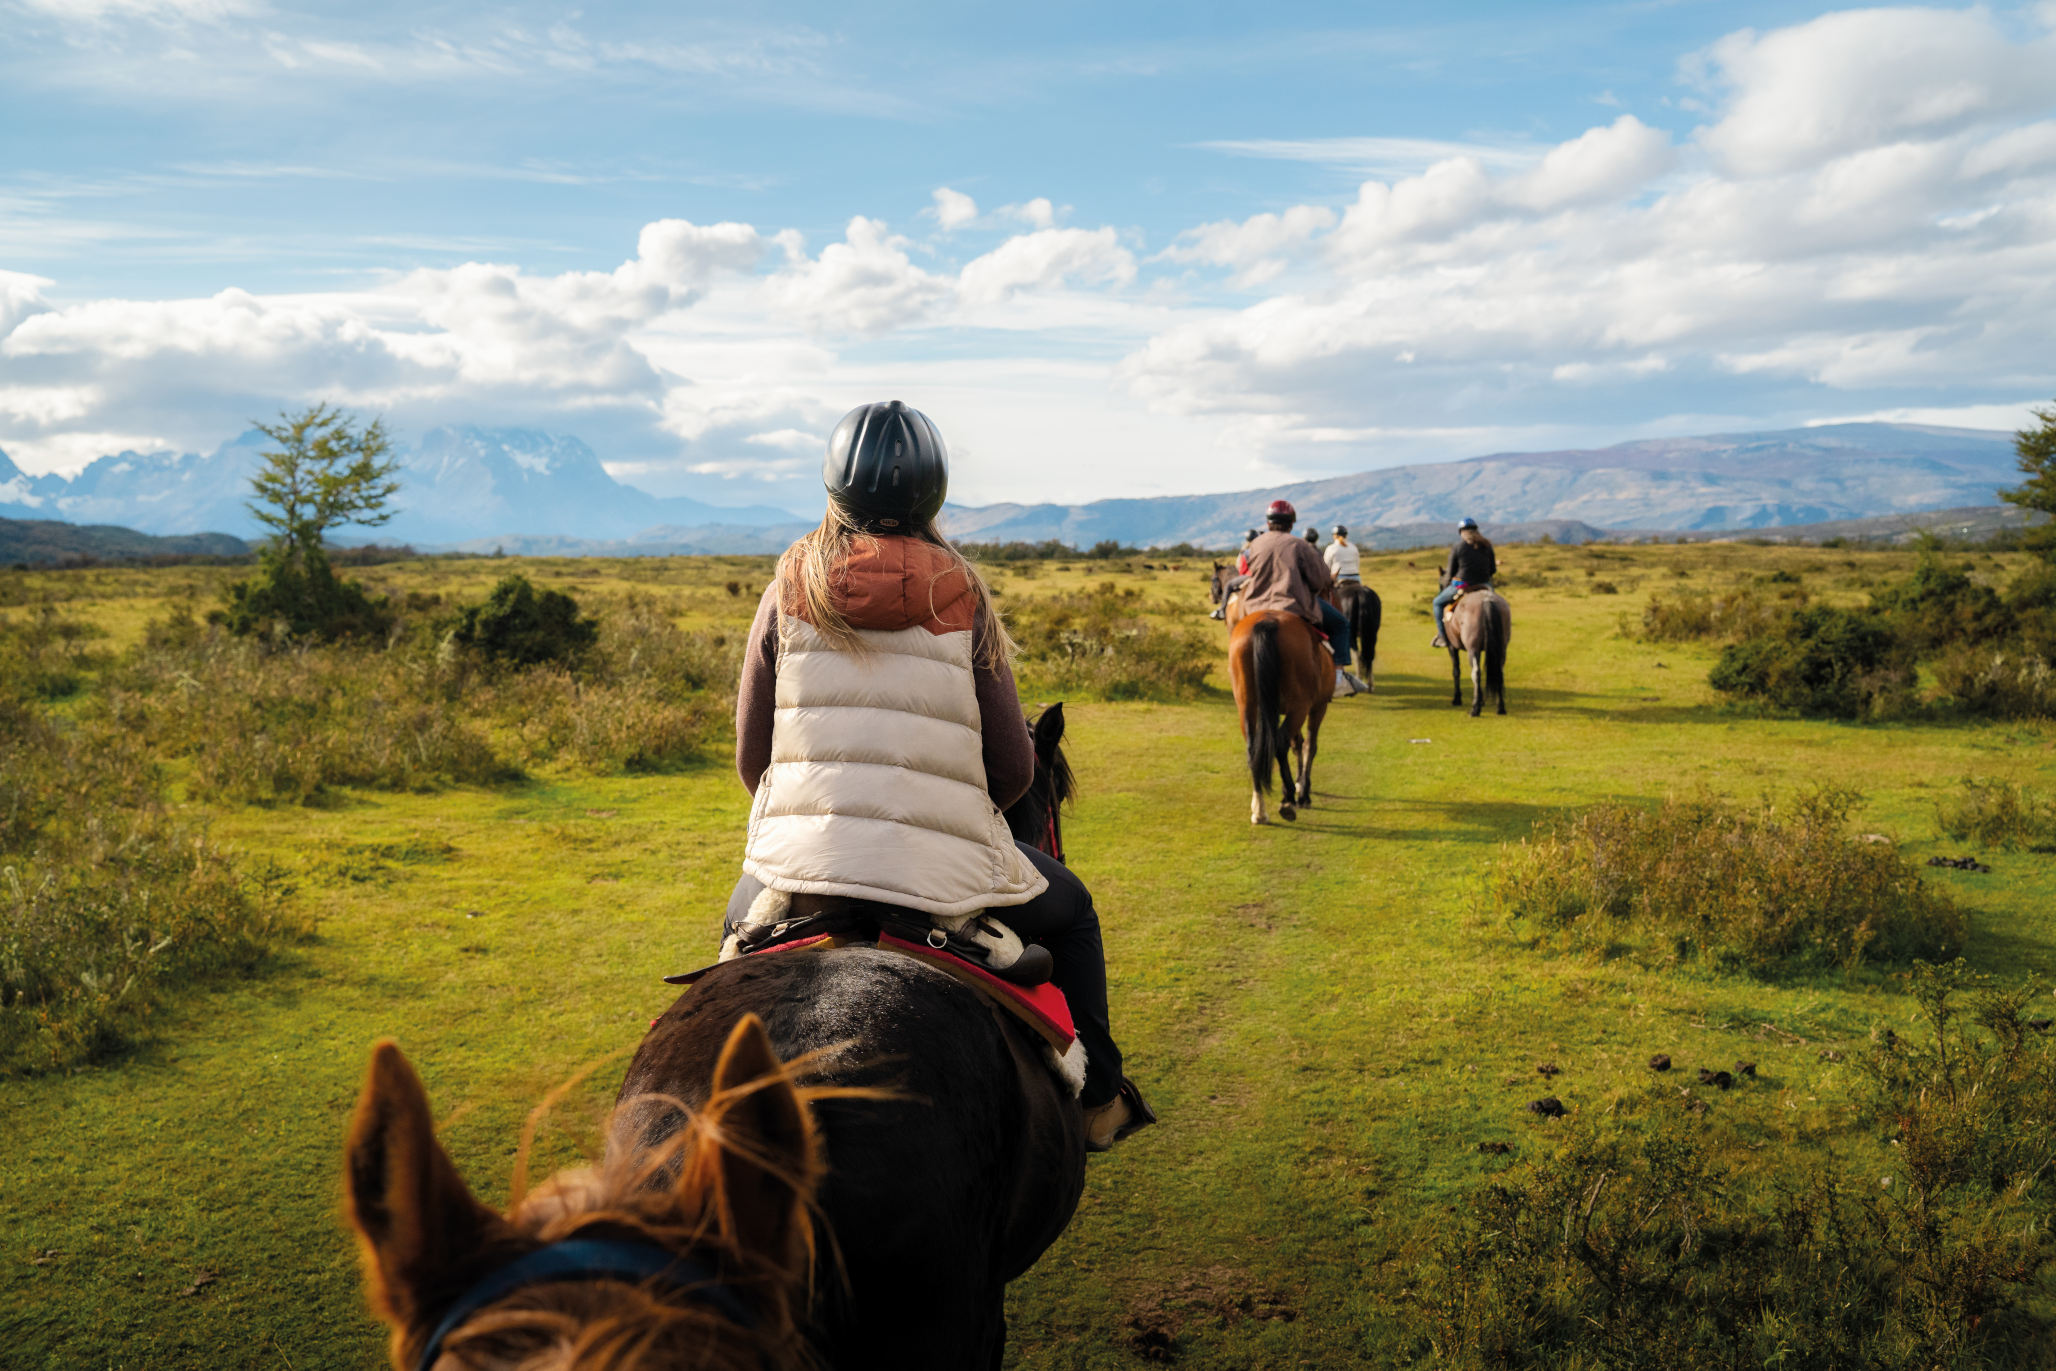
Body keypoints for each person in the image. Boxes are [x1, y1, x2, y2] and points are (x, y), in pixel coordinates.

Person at [727, 400, 1151, 1150]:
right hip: (942, 877)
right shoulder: (964, 590)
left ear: (833, 488)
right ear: (934, 494)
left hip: (807, 871)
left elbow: (752, 763)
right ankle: (1099, 1095)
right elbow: (1016, 771)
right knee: (1075, 912)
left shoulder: (787, 583)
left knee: (735, 944)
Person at [1241, 499, 1368, 697]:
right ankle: (1338, 680)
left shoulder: (1255, 545)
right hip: (1291, 604)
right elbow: (1319, 581)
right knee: (1341, 624)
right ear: (1292, 524)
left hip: (1254, 606)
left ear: (1267, 523)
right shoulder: (1299, 545)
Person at [1431, 516, 1497, 648]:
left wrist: (1447, 581)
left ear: (1461, 532)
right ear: (1476, 530)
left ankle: (1443, 637)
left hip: (1463, 586)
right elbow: (1493, 570)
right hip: (1484, 585)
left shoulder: (1458, 547)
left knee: (1437, 603)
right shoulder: (1487, 545)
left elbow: (1450, 573)